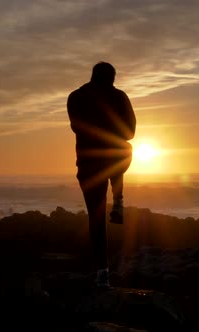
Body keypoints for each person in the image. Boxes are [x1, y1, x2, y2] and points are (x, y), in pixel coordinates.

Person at [67, 62, 136, 288]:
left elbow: (79, 127)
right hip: (108, 158)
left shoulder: (76, 97)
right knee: (124, 149)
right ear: (111, 78)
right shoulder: (118, 97)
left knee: (95, 219)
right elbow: (130, 132)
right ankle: (118, 199)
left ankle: (102, 272)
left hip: (87, 165)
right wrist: (111, 129)